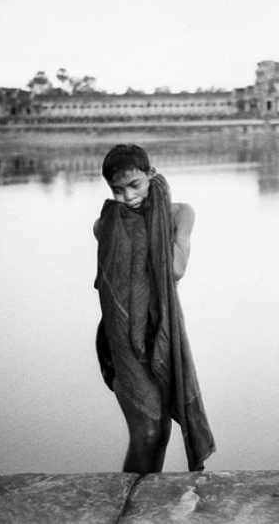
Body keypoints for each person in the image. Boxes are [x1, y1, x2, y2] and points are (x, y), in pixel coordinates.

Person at [93, 144, 215, 475]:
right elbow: (113, 290)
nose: (128, 197)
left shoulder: (180, 214)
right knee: (146, 430)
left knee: (161, 430)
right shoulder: (105, 225)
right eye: (117, 191)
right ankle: (126, 502)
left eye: (135, 185)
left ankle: (145, 498)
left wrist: (155, 219)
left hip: (160, 333)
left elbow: (175, 269)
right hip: (121, 338)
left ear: (151, 175)